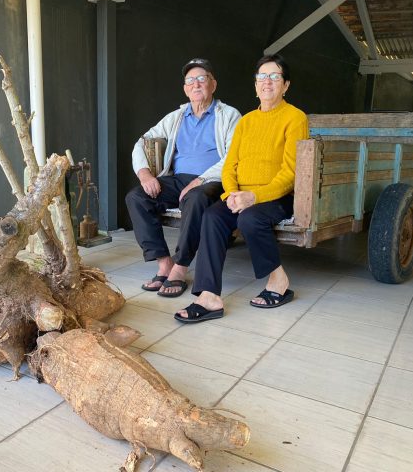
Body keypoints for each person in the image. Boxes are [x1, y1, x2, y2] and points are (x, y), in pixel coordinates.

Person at [175, 54, 308, 323]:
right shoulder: (246, 121)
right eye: (262, 77)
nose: (267, 82)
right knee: (212, 217)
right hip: (240, 195)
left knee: (250, 218)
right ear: (255, 85)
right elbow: (229, 165)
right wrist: (231, 195)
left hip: (276, 196)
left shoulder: (295, 118)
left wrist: (254, 196)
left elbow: (291, 173)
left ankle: (278, 280)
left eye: (274, 77)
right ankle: (209, 296)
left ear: (286, 85)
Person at [126, 58, 241, 297]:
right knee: (137, 197)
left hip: (212, 180)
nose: (196, 84)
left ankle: (180, 267)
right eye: (190, 81)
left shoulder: (229, 115)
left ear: (213, 84)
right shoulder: (176, 117)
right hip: (178, 179)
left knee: (196, 198)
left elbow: (233, 156)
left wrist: (199, 181)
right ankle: (163, 262)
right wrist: (145, 174)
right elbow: (142, 142)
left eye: (202, 79)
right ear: (185, 88)